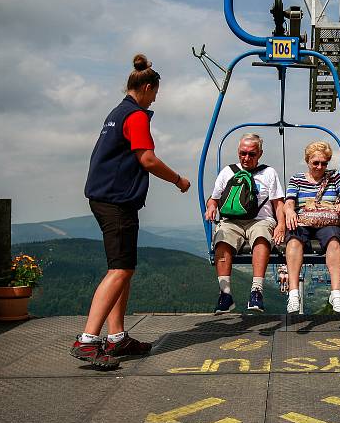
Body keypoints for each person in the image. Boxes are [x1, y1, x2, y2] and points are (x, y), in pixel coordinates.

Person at [70, 54, 190, 370]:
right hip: (116, 200)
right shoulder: (135, 115)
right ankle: (87, 341)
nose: (155, 99)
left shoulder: (116, 112)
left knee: (124, 267)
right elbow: (146, 159)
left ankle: (117, 337)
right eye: (155, 93)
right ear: (148, 87)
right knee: (119, 270)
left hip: (105, 197)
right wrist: (178, 179)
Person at [205, 133, 285, 313]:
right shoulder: (228, 171)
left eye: (251, 154)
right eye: (243, 153)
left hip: (260, 220)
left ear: (260, 154)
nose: (246, 158)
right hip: (232, 221)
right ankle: (225, 294)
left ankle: (256, 291)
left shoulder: (268, 173)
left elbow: (278, 203)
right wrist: (211, 207)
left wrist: (281, 225)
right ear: (238, 152)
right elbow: (214, 198)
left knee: (262, 236)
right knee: (222, 239)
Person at [284, 141, 340, 314]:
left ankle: (336, 294)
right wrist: (290, 212)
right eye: (316, 163)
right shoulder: (297, 179)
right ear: (308, 161)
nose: (320, 167)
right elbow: (289, 202)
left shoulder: (334, 177)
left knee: (335, 241)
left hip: (327, 222)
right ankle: (293, 294)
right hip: (303, 221)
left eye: (324, 163)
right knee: (294, 241)